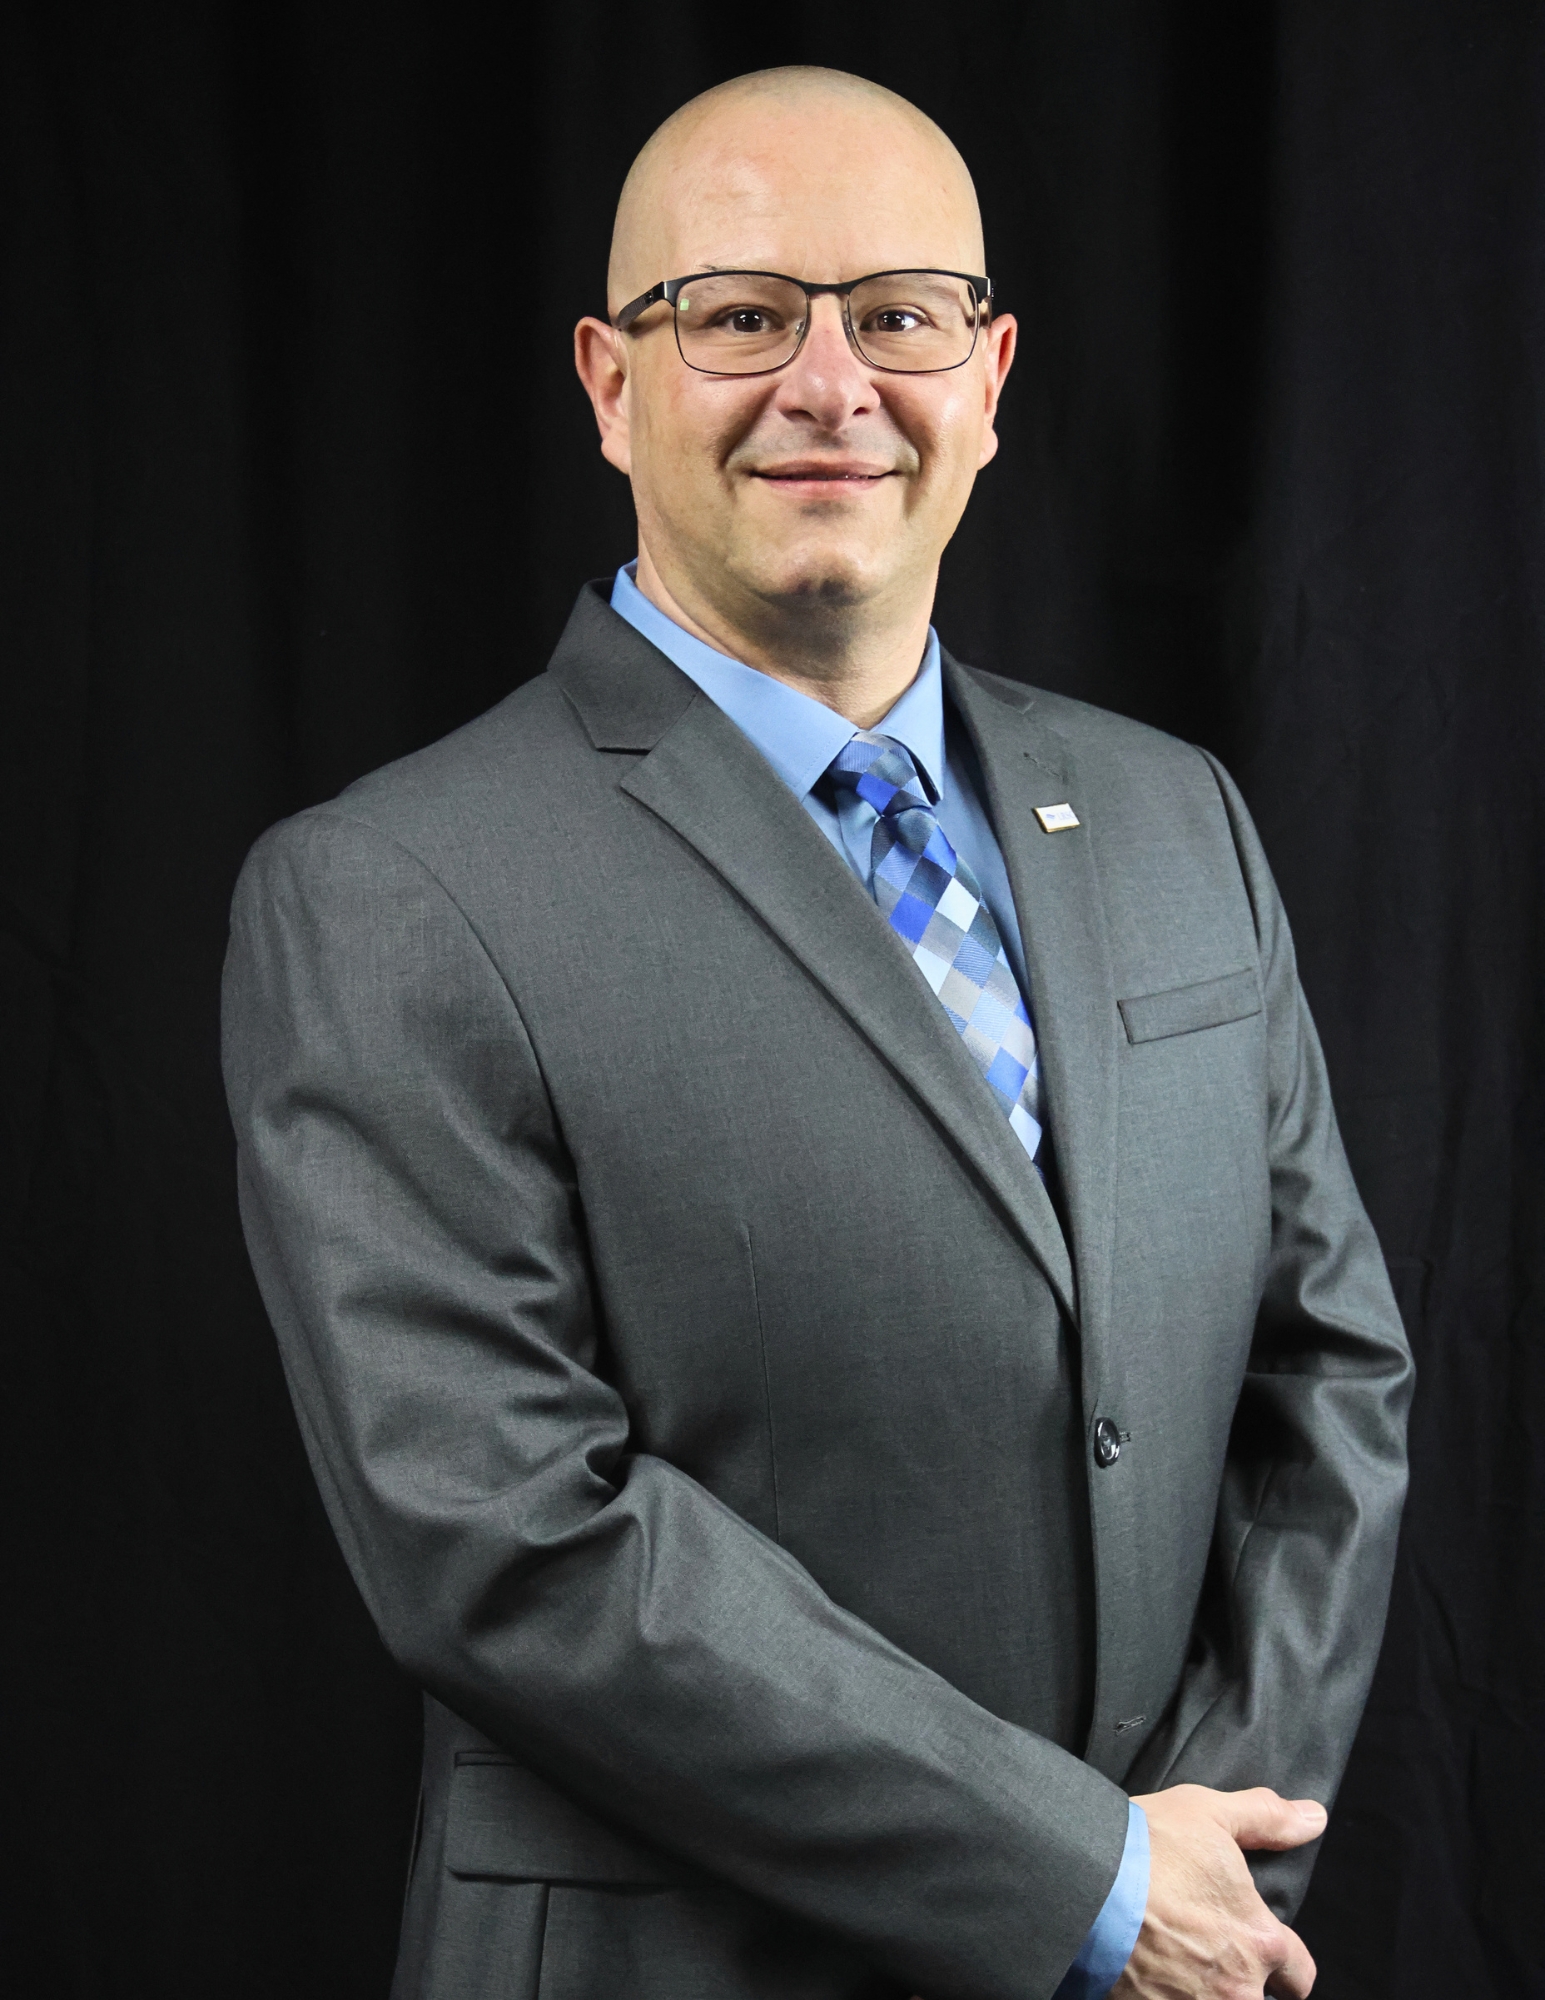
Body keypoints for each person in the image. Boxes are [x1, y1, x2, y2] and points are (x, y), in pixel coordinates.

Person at [222, 66, 1412, 2000]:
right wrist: (1083, 1883)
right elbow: (509, 1540)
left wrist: (1210, 1858)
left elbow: (1328, 1373)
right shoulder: (390, 891)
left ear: (993, 374)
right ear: (611, 383)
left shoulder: (1177, 812)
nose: (832, 382)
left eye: (900, 314)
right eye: (744, 313)